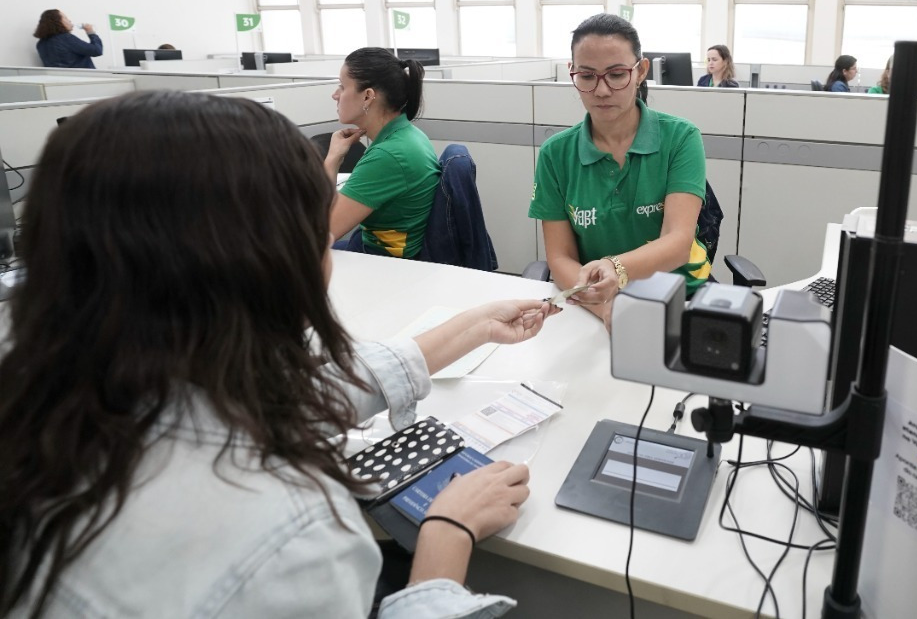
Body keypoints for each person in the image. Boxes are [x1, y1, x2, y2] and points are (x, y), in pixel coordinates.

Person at [0, 89, 557, 618]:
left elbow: (271, 401)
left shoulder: (57, 383)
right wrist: (445, 536)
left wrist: (471, 325)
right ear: (273, 260)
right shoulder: (288, 536)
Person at [529, 13, 710, 330]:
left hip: (679, 298)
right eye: (587, 76)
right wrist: (605, 306)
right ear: (572, 73)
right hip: (596, 305)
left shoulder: (681, 138)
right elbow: (560, 259)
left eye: (616, 75)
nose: (601, 91)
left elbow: (678, 243)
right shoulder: (555, 155)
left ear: (641, 71)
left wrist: (616, 268)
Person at [326, 47, 440, 259]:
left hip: (383, 265)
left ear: (368, 96)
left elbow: (319, 235)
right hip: (383, 254)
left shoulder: (389, 155)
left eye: (342, 86)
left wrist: (332, 160)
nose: (335, 95)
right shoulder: (406, 135)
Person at [33, 9, 102, 69]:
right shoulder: (66, 38)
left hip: (60, 81)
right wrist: (90, 32)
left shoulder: (40, 44)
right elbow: (97, 50)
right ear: (58, 21)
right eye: (65, 18)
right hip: (81, 80)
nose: (69, 20)